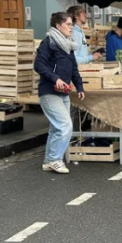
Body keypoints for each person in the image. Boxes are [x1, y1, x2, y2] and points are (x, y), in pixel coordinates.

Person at [35, 12, 86, 174]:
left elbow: (74, 69)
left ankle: (48, 161)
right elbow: (39, 65)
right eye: (68, 24)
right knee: (65, 125)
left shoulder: (68, 45)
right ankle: (55, 159)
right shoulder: (48, 43)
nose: (71, 27)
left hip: (63, 93)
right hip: (49, 92)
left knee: (56, 128)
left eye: (72, 24)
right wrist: (55, 78)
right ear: (58, 26)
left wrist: (79, 86)